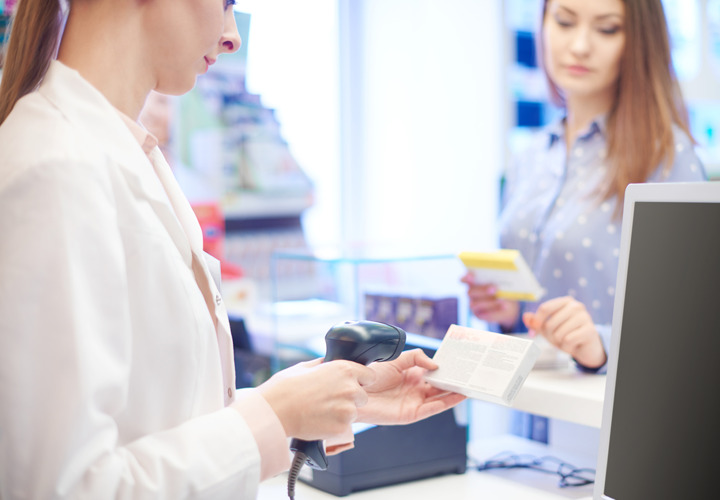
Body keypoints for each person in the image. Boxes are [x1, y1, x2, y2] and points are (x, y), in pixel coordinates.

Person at [0, 1, 465, 498]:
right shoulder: (57, 168)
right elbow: (63, 487)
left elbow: (159, 417)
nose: (232, 37)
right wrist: (275, 412)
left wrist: (326, 400)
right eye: (224, 4)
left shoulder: (122, 154)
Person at [463, 0, 706, 373]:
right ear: (543, 23)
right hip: (528, 404)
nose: (579, 45)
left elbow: (689, 327)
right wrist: (508, 313)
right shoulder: (531, 155)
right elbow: (533, 300)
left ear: (639, 41)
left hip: (605, 417)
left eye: (607, 29)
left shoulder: (667, 155)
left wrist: (600, 345)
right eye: (564, 21)